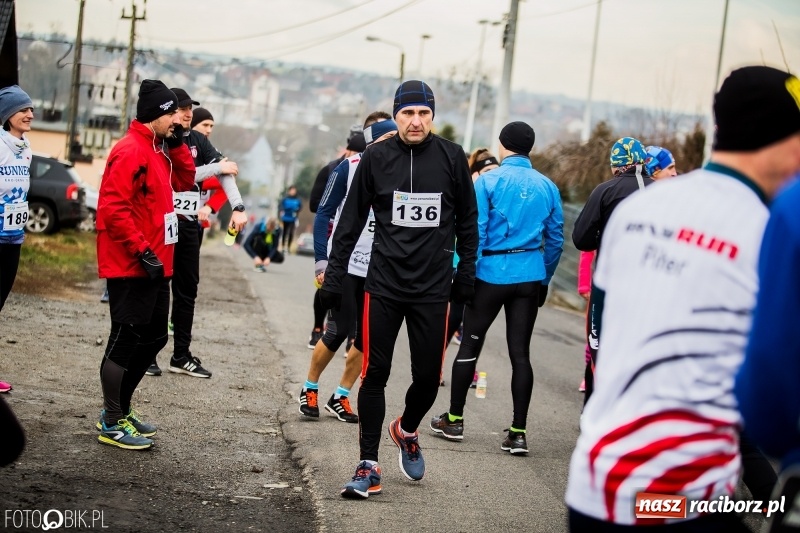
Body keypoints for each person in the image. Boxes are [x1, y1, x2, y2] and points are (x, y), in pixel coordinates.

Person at [565, 65, 800, 531]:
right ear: (783, 138)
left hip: (593, 484)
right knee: (773, 507)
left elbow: (609, 323)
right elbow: (771, 407)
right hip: (673, 501)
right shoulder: (765, 225)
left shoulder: (639, 208)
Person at [319, 80, 478, 499]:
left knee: (428, 377)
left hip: (432, 288)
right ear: (396, 115)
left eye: (423, 114)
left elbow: (468, 220)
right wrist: (334, 278)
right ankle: (368, 465)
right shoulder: (377, 157)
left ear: (432, 116)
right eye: (408, 113)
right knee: (376, 373)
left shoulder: (451, 156)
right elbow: (350, 221)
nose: (416, 121)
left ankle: (407, 430)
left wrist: (467, 273)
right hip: (383, 284)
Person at [430, 121, 564, 454]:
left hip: (490, 273)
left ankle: (455, 419)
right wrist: (544, 279)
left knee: (470, 345)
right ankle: (518, 432)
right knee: (521, 354)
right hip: (529, 275)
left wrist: (467, 273)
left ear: (503, 145)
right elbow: (557, 239)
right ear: (530, 147)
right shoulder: (548, 186)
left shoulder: (489, 181)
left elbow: (476, 231)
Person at [95, 79, 195, 450]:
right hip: (132, 263)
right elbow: (112, 209)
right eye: (171, 114)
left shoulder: (159, 147)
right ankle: (110, 420)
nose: (177, 119)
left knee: (155, 336)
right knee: (125, 338)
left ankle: (121, 409)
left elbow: (185, 182)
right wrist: (142, 251)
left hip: (157, 264)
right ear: (154, 114)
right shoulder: (130, 150)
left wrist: (177, 142)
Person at [299, 113, 398, 424]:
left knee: (368, 338)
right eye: (386, 139)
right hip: (346, 262)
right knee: (339, 329)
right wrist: (321, 261)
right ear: (371, 143)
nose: (393, 143)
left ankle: (340, 396)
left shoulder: (402, 171)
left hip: (380, 266)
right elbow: (323, 214)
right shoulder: (349, 167)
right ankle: (309, 388)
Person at [148, 89, 248, 379]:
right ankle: (149, 354)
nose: (188, 113)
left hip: (189, 223)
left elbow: (225, 173)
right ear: (170, 111)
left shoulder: (200, 140)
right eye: (183, 108)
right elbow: (183, 173)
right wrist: (217, 166)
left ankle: (181, 355)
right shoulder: (162, 140)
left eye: (191, 108)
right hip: (164, 222)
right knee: (158, 287)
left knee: (187, 291)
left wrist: (238, 206)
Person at [572, 136, 654, 404]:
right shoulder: (664, 192)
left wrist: (606, 237)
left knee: (599, 346)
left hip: (610, 283)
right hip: (652, 285)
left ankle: (594, 413)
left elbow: (581, 239)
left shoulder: (606, 190)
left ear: (616, 165)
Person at [306, 132, 367, 350]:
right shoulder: (334, 168)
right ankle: (317, 328)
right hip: (333, 227)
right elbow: (315, 206)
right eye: (356, 152)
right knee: (326, 284)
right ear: (348, 151)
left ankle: (353, 336)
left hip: (360, 236)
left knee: (357, 289)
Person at [0, 85, 34, 395]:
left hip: (14, 236)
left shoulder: (27, 148)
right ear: (6, 114)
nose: (29, 114)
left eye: (31, 109)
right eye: (22, 109)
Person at [279, 185, 302, 252]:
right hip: (285, 217)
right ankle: (283, 246)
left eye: (294, 190)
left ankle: (288, 247)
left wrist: (296, 210)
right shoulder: (285, 198)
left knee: (291, 232)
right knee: (284, 232)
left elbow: (300, 207)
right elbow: (281, 206)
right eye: (291, 190)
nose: (293, 192)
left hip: (293, 218)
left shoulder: (298, 199)